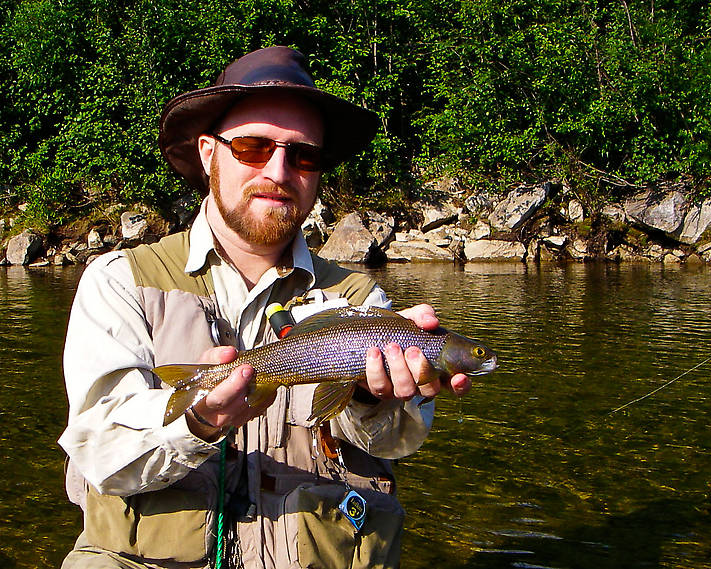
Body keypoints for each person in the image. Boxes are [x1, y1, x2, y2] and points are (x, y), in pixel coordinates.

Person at [58, 46, 471, 569]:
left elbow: (395, 443)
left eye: (303, 155)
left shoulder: (363, 303)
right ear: (208, 152)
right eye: (253, 147)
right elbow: (97, 453)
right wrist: (197, 423)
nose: (279, 171)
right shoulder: (119, 283)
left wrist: (371, 399)